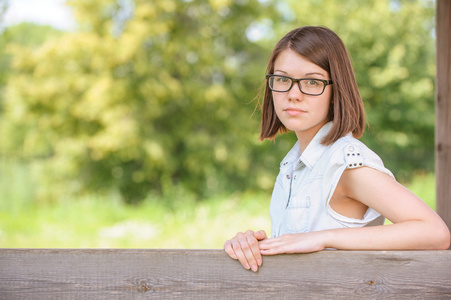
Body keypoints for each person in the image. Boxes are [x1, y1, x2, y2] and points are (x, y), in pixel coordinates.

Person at [223, 26, 450, 272]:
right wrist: (251, 245)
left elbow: (434, 232)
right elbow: (297, 253)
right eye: (282, 79)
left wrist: (323, 238)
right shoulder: (293, 166)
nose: (293, 94)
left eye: (312, 82)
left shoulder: (344, 164)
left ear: (335, 90)